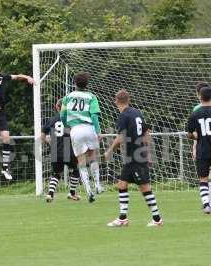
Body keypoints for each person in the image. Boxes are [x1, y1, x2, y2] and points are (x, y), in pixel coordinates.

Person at [105, 89, 163, 227]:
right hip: (135, 155)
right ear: (129, 100)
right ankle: (122, 218)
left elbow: (120, 138)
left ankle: (157, 219)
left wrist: (109, 151)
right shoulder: (137, 112)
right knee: (122, 184)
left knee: (144, 187)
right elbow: (146, 133)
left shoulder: (124, 116)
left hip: (135, 156)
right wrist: (148, 153)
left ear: (116, 101)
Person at [60, 72, 101, 203]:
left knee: (81, 162)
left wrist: (68, 124)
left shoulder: (68, 97)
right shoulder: (91, 96)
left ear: (74, 83)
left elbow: (62, 115)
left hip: (76, 130)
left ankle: (89, 191)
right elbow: (94, 116)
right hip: (89, 128)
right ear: (86, 84)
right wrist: (98, 131)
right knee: (93, 157)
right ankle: (98, 185)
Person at [187, 86, 211, 214]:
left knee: (203, 178)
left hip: (202, 150)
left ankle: (206, 205)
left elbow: (189, 133)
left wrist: (196, 137)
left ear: (200, 96)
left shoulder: (195, 114)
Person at [41, 99, 80, 202]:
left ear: (56, 107)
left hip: (55, 149)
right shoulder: (71, 119)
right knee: (75, 170)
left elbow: (42, 137)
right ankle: (72, 193)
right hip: (68, 148)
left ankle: (50, 194)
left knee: (56, 173)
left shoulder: (51, 120)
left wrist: (49, 142)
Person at [192, 82, 211, 208]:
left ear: (199, 94)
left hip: (204, 146)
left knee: (206, 175)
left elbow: (195, 131)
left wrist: (194, 147)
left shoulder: (197, 109)